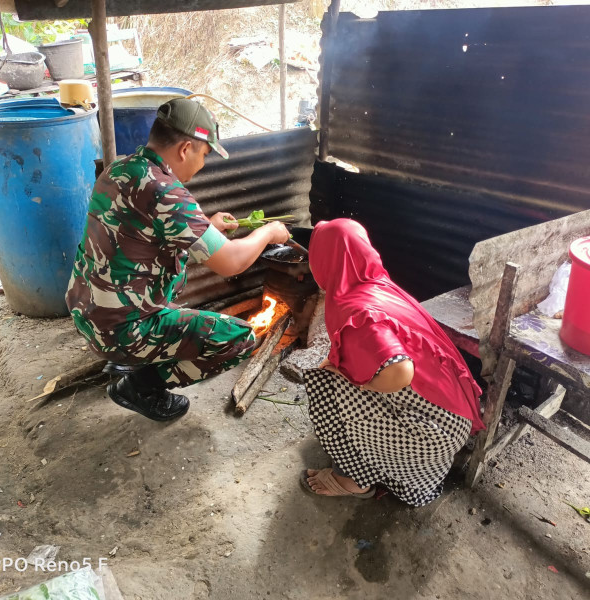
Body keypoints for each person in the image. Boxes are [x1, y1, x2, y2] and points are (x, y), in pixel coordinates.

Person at [66, 98, 289, 422]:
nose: (202, 164)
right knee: (238, 338)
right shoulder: (165, 191)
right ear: (186, 148)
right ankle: (140, 385)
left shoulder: (122, 168)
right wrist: (268, 232)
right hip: (118, 330)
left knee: (172, 273)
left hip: (84, 308)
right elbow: (232, 263)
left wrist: (208, 228)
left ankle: (130, 357)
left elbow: (147, 237)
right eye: (204, 154)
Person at [301, 219, 484, 506]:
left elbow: (400, 370)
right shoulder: (375, 281)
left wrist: (362, 384)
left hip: (432, 434)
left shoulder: (355, 308)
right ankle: (376, 456)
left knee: (322, 381)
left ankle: (354, 481)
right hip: (453, 415)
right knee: (335, 369)